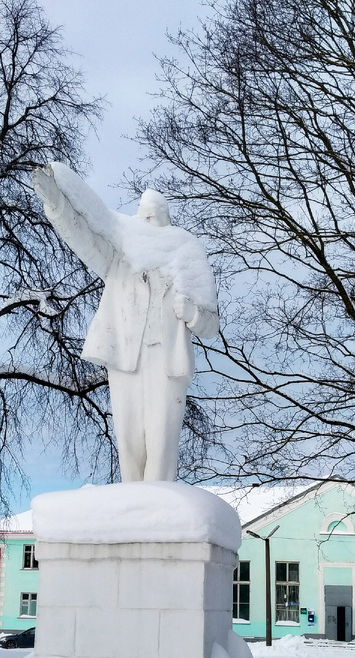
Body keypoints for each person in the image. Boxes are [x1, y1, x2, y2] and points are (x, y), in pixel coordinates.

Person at [31, 162, 218, 482]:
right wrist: (56, 203)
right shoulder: (120, 256)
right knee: (130, 442)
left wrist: (193, 314)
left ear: (168, 220)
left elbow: (211, 325)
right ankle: (131, 501)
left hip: (166, 359)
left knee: (161, 441)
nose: (148, 223)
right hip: (125, 353)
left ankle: (159, 501)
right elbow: (82, 236)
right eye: (143, 217)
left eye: (154, 217)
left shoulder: (186, 256)